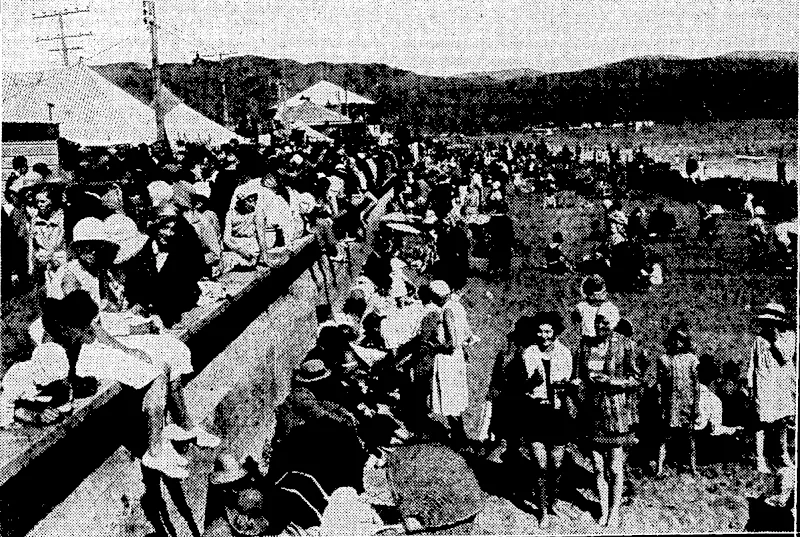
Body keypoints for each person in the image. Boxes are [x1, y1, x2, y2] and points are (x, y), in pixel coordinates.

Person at [574, 302, 640, 527]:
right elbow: (580, 375)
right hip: (592, 412)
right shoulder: (585, 345)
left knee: (615, 466)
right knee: (598, 466)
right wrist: (577, 382)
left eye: (605, 321)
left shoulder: (625, 345)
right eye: (597, 320)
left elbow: (635, 379)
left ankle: (614, 512)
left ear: (614, 324)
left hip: (616, 413)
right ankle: (603, 509)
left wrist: (611, 381)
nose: (600, 324)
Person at [516, 312, 574, 528]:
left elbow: (568, 385)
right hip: (535, 413)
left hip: (558, 414)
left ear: (555, 332)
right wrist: (531, 383)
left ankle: (553, 502)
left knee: (557, 464)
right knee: (540, 466)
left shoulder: (565, 353)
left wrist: (568, 386)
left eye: (548, 331)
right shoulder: (528, 353)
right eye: (540, 331)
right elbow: (518, 389)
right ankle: (542, 511)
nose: (543, 335)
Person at [747, 303, 796, 473]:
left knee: (782, 421)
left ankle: (782, 455)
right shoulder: (759, 339)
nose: (770, 325)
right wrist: (751, 387)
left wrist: (776, 338)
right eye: (767, 322)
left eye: (773, 322)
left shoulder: (790, 336)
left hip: (781, 385)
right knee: (761, 422)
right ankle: (760, 458)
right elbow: (752, 365)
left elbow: (785, 356)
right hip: (764, 384)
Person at [430, 280, 472, 450]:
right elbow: (467, 334)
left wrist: (434, 346)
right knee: (455, 397)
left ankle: (459, 438)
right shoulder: (457, 305)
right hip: (457, 357)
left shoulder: (447, 310)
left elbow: (451, 342)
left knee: (448, 396)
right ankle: (459, 435)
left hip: (447, 358)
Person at [656, 321, 700, 475]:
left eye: (681, 340)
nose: (677, 343)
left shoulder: (692, 359)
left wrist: (696, 404)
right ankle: (659, 468)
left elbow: (696, 385)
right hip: (670, 404)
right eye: (674, 339)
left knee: (689, 437)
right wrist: (661, 403)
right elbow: (660, 384)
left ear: (685, 342)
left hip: (686, 403)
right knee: (664, 437)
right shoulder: (664, 359)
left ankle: (692, 467)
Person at [29, 184, 67, 286]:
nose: (39, 205)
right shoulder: (35, 220)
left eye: (43, 201)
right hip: (43, 269)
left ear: (53, 201)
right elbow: (32, 246)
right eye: (37, 202)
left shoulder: (64, 218)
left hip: (62, 266)